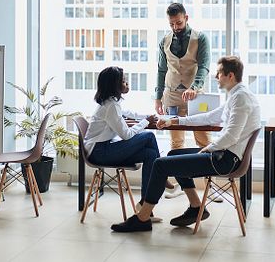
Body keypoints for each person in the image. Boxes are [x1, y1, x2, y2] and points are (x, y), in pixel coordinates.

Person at [111, 56, 260, 233]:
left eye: (219, 73)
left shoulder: (241, 98)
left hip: (225, 159)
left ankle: (142, 218)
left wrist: (208, 148)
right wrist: (175, 121)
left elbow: (232, 135)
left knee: (159, 165)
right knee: (173, 155)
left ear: (230, 75)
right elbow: (209, 117)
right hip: (223, 154)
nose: (215, 77)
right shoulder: (237, 95)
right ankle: (197, 207)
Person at [154, 3, 211, 198]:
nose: (175, 27)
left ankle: (208, 188)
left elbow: (204, 66)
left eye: (178, 22)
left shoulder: (200, 38)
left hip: (196, 96)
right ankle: (184, 188)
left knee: (203, 139)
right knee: (176, 141)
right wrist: (157, 97)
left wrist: (194, 87)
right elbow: (162, 70)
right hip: (171, 95)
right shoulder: (164, 40)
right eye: (172, 24)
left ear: (186, 18)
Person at [84, 66, 161, 211]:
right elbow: (126, 135)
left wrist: (146, 117)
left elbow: (128, 113)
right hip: (100, 152)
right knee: (149, 135)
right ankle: (161, 174)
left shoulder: (111, 102)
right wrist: (146, 122)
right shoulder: (111, 106)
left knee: (151, 155)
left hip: (103, 149)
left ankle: (145, 203)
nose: (127, 84)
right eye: (124, 81)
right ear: (114, 85)